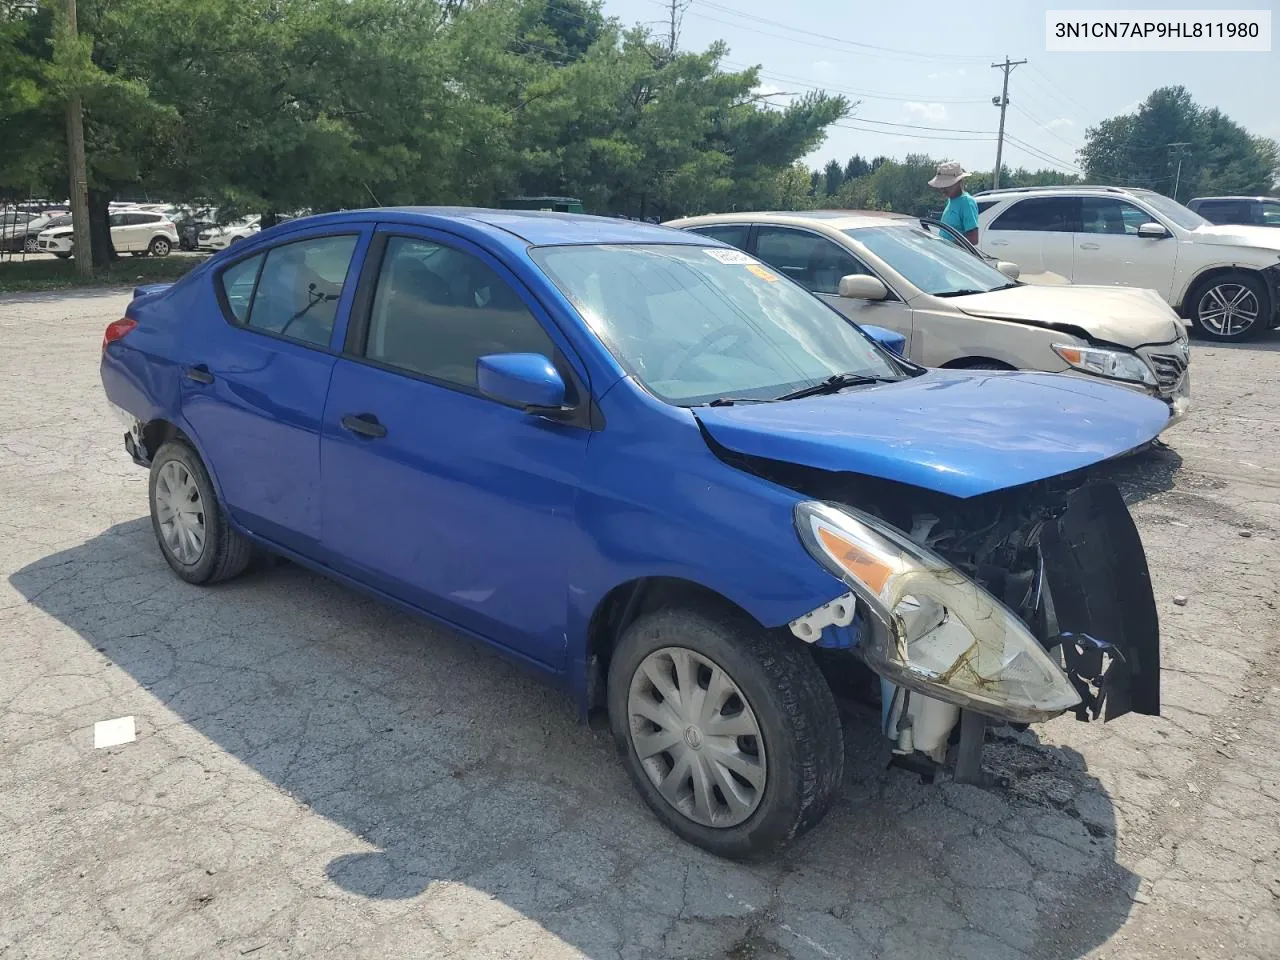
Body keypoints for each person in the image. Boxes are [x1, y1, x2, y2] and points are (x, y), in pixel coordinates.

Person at [929, 161, 980, 244]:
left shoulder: (966, 202)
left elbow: (973, 239)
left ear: (959, 182)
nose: (943, 189)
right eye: (941, 185)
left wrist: (949, 246)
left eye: (947, 185)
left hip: (955, 254)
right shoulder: (950, 201)